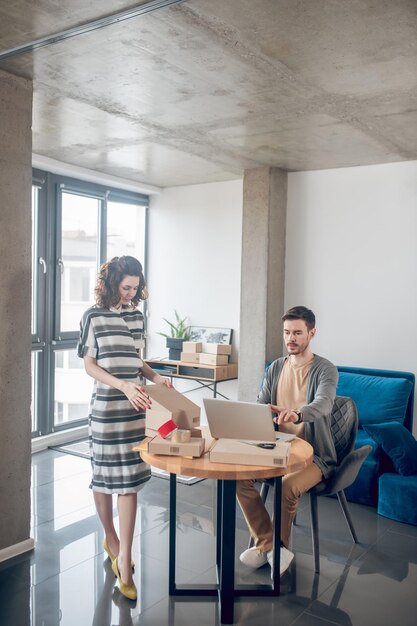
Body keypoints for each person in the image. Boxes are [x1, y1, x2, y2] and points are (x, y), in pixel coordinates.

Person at [78, 255, 171, 601]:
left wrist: (155, 376)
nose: (131, 294)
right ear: (113, 282)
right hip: (106, 408)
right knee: (103, 479)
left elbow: (136, 359)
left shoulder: (136, 315)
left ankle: (126, 559)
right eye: (126, 287)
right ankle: (111, 539)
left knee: (130, 483)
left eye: (136, 288)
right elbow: (90, 365)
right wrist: (122, 385)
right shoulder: (93, 316)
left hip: (135, 408)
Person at [237, 305, 338, 576]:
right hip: (275, 447)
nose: (290, 338)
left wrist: (297, 414)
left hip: (314, 455)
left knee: (286, 487)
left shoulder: (325, 369)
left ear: (312, 333)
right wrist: (259, 413)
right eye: (286, 332)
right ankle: (270, 546)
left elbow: (324, 404)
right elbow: (262, 403)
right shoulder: (276, 367)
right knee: (237, 478)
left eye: (297, 333)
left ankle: (275, 547)